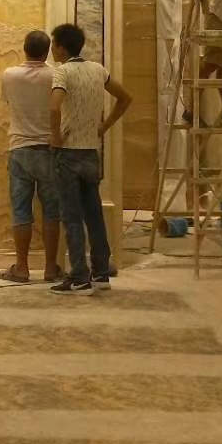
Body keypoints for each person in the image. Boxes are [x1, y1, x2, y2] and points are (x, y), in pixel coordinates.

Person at [47, 23, 132, 296]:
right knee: (94, 215)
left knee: (71, 217)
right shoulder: (98, 70)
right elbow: (125, 98)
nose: (52, 49)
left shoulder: (63, 72)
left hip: (68, 153)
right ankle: (101, 273)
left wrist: (55, 137)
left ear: (62, 47)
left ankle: (79, 276)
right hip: (91, 153)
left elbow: (54, 107)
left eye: (54, 44)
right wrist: (104, 126)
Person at [0, 30, 63, 283]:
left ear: (24, 48)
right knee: (51, 211)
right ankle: (50, 268)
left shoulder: (9, 75)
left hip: (20, 149)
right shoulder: (56, 75)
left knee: (21, 210)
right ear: (47, 51)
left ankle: (22, 268)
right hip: (49, 150)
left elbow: (8, 102)